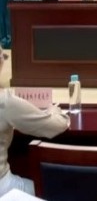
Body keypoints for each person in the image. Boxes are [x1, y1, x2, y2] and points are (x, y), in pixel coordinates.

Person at [0, 46, 70, 196]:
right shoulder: (5, 101)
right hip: (3, 189)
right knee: (59, 191)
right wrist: (54, 111)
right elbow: (56, 125)